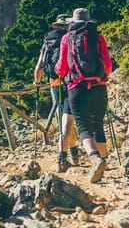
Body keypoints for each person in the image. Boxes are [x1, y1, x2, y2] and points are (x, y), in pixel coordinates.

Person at [55, 8, 113, 183]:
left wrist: (61, 75)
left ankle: (95, 158)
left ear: (73, 22)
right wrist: (102, 77)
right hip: (99, 86)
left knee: (83, 127)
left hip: (76, 88)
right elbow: (108, 65)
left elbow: (61, 67)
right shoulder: (98, 37)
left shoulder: (67, 38)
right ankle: (102, 164)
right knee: (98, 125)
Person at [33, 14, 80, 173]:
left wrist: (37, 82)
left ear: (56, 25)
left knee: (65, 118)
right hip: (71, 82)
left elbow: (39, 66)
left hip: (55, 83)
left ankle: (73, 153)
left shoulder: (48, 41)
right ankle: (65, 156)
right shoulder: (71, 38)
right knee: (68, 119)